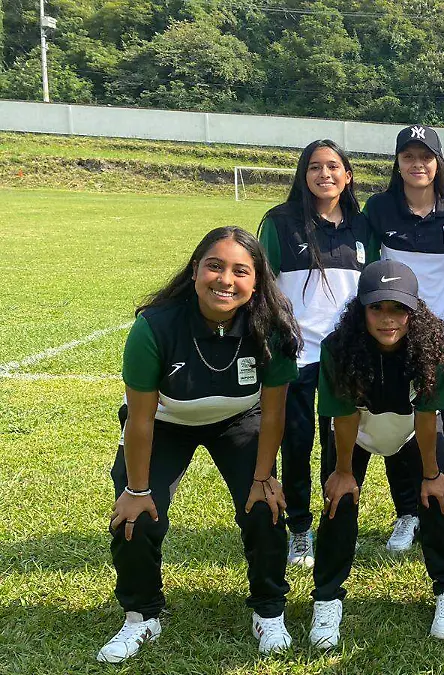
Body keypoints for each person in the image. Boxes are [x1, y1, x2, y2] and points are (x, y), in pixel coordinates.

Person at [98, 227, 301, 663]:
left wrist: (263, 476)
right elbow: (140, 419)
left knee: (265, 506)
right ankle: (142, 615)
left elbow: (274, 414)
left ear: (257, 281)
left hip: (239, 419)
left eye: (240, 271)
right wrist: (136, 489)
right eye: (214, 266)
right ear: (195, 271)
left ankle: (269, 610)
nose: (225, 280)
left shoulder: (272, 326)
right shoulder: (155, 326)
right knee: (137, 515)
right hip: (166, 422)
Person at [309, 260, 444, 646]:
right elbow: (344, 416)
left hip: (413, 429)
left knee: (437, 499)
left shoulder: (434, 346)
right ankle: (327, 598)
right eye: (377, 308)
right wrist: (343, 471)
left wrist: (431, 474)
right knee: (338, 502)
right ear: (360, 308)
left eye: (398, 308)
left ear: (415, 309)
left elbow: (428, 415)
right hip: (356, 429)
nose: (387, 318)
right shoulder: (338, 347)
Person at [258, 139, 376, 568]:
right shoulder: (280, 223)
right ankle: (299, 529)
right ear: (303, 175)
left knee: (341, 444)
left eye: (333, 166)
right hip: (295, 354)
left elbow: (372, 289)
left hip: (345, 356)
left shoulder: (363, 227)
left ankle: (335, 523)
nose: (324, 174)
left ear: (348, 176)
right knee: (296, 442)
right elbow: (263, 286)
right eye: (314, 167)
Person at [365, 125, 444, 554]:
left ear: (438, 162)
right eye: (408, 156)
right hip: (397, 340)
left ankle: (435, 506)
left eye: (426, 157)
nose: (417, 164)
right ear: (397, 163)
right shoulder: (379, 209)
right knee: (402, 428)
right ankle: (407, 512)